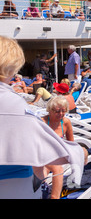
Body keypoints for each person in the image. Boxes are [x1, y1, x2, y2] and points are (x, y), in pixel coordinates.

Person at [0, 36, 85, 199]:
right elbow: (41, 159)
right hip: (13, 187)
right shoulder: (14, 105)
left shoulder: (63, 121)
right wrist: (81, 154)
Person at [41, 96, 75, 199]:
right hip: (43, 155)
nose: (60, 114)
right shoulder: (42, 122)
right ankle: (42, 192)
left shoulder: (66, 122)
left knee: (57, 168)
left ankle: (52, 196)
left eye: (63, 111)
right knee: (46, 168)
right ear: (50, 110)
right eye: (57, 111)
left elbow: (71, 143)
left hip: (59, 155)